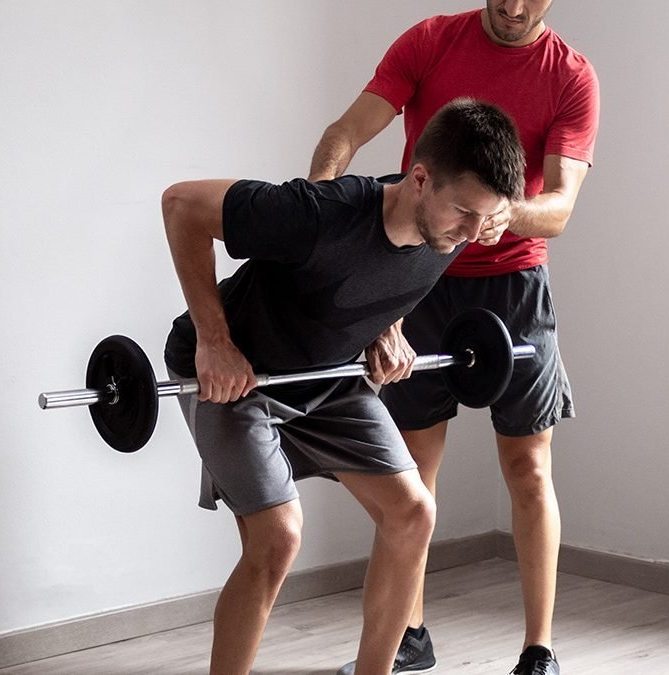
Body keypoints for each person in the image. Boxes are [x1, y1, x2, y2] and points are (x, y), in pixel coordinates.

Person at [161, 99, 525, 675]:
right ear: (421, 179)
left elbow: (385, 273)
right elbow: (181, 204)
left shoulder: (455, 227)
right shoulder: (318, 213)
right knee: (277, 537)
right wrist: (214, 341)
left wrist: (390, 329)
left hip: (327, 376)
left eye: (489, 217)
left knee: (413, 514)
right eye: (463, 213)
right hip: (238, 377)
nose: (474, 235)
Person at [310, 3, 600, 674]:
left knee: (529, 468)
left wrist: (503, 210)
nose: (514, 6)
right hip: (421, 279)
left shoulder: (570, 77)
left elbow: (558, 205)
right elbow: (346, 131)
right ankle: (408, 635)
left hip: (514, 287)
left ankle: (539, 649)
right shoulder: (432, 41)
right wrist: (318, 206)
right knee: (412, 472)